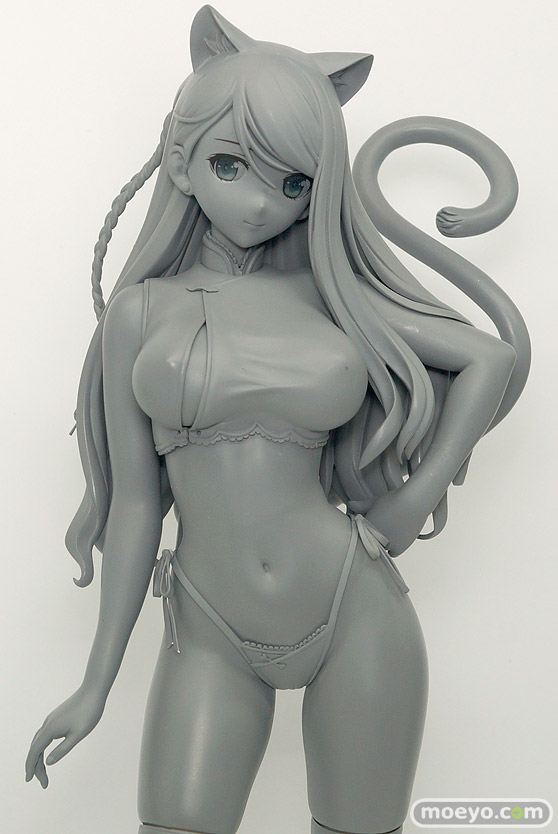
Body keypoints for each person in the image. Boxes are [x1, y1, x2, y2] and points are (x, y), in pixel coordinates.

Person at [25, 6, 530, 834]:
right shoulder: (138, 315)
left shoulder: (331, 298)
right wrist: (95, 684)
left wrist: (409, 502)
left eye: (294, 183)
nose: (262, 203)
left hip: (354, 607)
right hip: (207, 624)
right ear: (183, 162)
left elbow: (490, 358)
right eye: (232, 166)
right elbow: (136, 508)